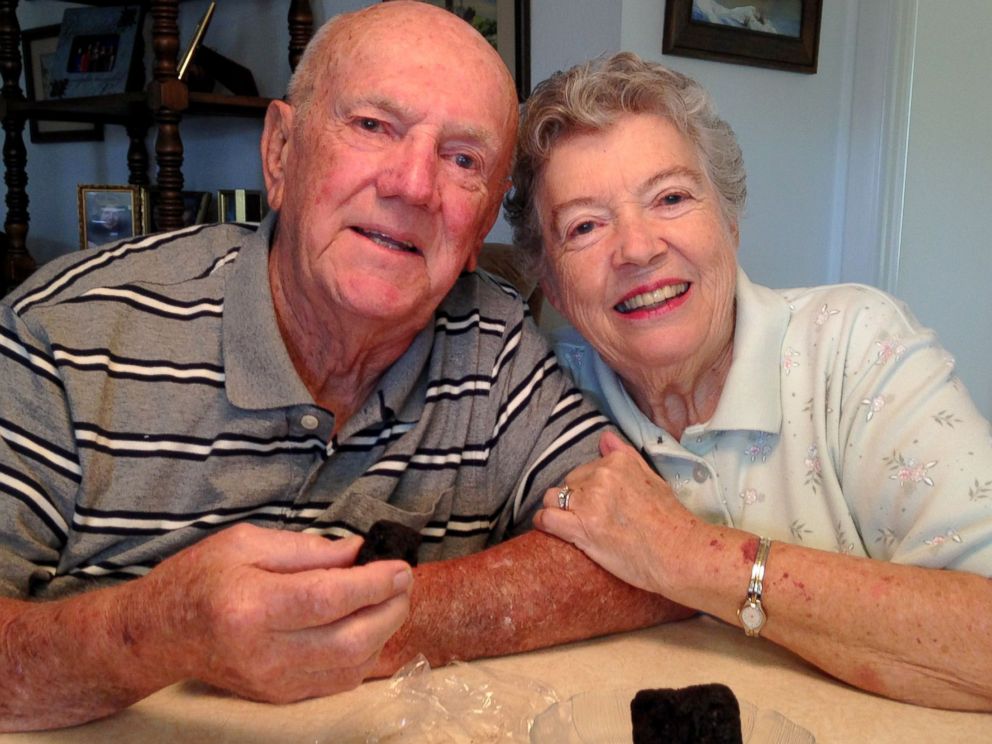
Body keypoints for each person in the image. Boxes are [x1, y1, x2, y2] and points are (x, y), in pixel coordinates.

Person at [0, 9, 685, 733]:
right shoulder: (63, 338)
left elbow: (645, 556)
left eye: (462, 160)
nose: (414, 185)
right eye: (372, 126)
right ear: (281, 152)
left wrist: (368, 622)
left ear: (480, 226)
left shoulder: (493, 341)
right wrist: (160, 631)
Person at [504, 52, 992, 711]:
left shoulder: (856, 346)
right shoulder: (544, 393)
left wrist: (684, 554)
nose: (638, 248)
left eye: (671, 198)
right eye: (585, 226)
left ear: (729, 226)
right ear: (554, 286)